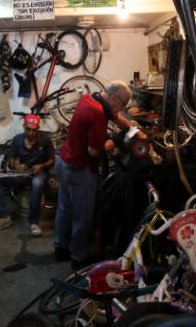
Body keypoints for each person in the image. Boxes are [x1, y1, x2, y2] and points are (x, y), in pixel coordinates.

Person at [53, 80, 135, 270]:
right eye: (124, 104)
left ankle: (60, 247)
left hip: (64, 162)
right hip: (80, 169)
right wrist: (114, 143)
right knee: (83, 215)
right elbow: (94, 151)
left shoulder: (92, 98)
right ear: (114, 97)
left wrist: (132, 130)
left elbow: (115, 117)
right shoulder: (97, 113)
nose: (124, 109)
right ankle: (78, 257)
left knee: (64, 208)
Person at [0, 114, 55, 237]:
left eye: (34, 130)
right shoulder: (17, 139)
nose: (31, 132)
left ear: (38, 128)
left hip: (38, 173)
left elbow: (52, 160)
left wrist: (41, 166)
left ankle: (33, 222)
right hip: (22, 174)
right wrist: (18, 167)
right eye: (28, 129)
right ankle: (3, 218)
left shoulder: (45, 139)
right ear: (24, 127)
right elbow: (11, 161)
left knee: (37, 184)